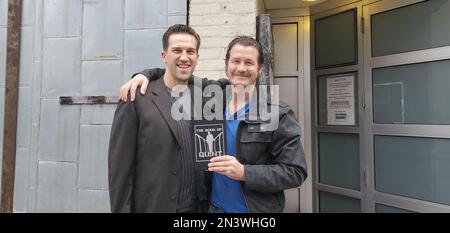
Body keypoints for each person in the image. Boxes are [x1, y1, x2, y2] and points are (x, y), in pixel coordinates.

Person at [120, 36, 308, 213]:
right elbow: (178, 72)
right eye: (236, 61)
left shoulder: (276, 111)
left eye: (249, 63)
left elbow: (295, 171)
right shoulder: (214, 98)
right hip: (212, 208)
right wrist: (144, 75)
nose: (241, 68)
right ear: (227, 65)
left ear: (259, 69)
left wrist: (245, 172)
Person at [108, 24, 206, 213]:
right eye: (177, 50)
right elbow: (120, 172)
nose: (184, 57)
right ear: (164, 56)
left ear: (197, 58)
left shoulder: (206, 98)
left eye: (190, 51)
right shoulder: (136, 98)